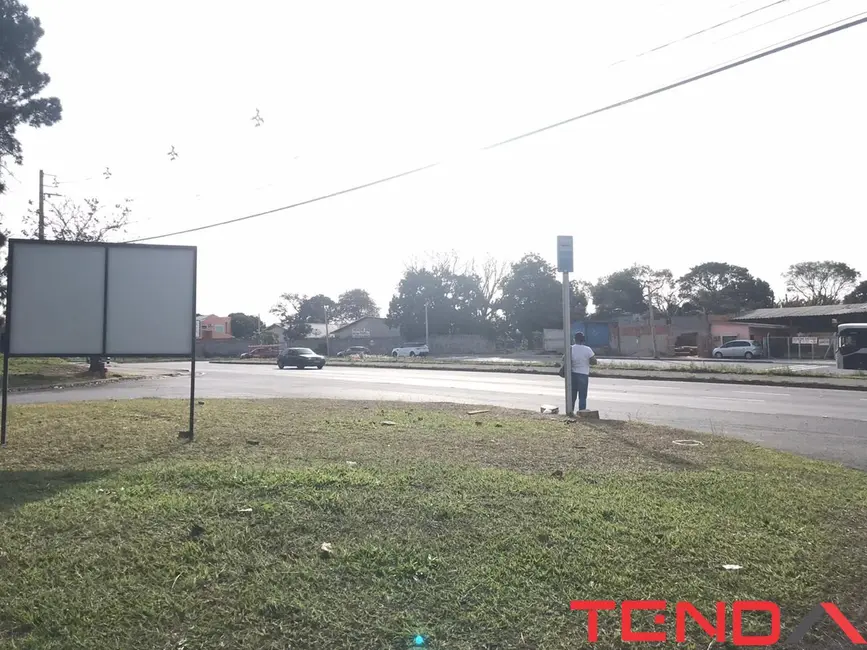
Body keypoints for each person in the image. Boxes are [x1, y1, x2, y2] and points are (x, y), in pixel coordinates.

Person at [566, 331, 597, 414]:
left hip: (572, 374)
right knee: (582, 396)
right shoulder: (587, 349)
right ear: (583, 340)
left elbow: (564, 359)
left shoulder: (570, 348)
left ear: (574, 339)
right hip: (583, 374)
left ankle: (570, 411)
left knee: (572, 395)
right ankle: (582, 413)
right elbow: (594, 361)